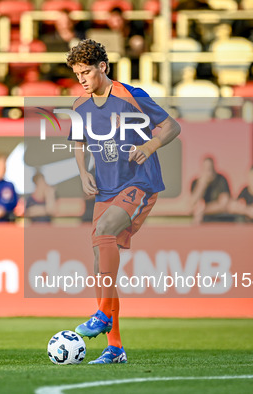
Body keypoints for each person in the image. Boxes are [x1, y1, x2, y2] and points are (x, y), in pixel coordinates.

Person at [67, 39, 181, 364]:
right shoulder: (79, 105)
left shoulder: (129, 96)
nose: (82, 79)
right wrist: (82, 172)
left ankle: (102, 315)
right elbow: (78, 140)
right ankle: (115, 347)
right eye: (77, 74)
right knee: (99, 264)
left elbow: (172, 125)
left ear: (103, 66)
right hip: (104, 188)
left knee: (104, 232)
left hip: (139, 182)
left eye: (86, 72)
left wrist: (150, 146)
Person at [190, 157, 233, 224]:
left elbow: (224, 204)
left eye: (210, 168)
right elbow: (192, 204)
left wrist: (204, 210)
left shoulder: (221, 180)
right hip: (204, 219)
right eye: (206, 168)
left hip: (221, 218)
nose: (208, 171)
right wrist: (202, 185)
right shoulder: (196, 182)